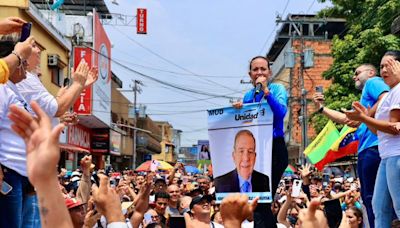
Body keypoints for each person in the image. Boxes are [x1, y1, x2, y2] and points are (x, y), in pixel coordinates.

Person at [313, 63, 389, 228]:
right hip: (367, 149)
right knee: (370, 198)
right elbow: (347, 120)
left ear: (370, 72)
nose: (354, 76)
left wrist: (364, 116)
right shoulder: (364, 97)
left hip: (373, 147)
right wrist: (322, 109)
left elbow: (386, 97)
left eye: (357, 72)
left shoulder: (373, 82)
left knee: (372, 198)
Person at [344, 51, 400, 227]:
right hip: (386, 157)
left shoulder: (398, 90)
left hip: (396, 156)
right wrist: (363, 118)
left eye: (388, 65)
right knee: (378, 207)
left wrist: (364, 118)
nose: (383, 70)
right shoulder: (390, 93)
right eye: (381, 66)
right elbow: (378, 132)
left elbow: (394, 127)